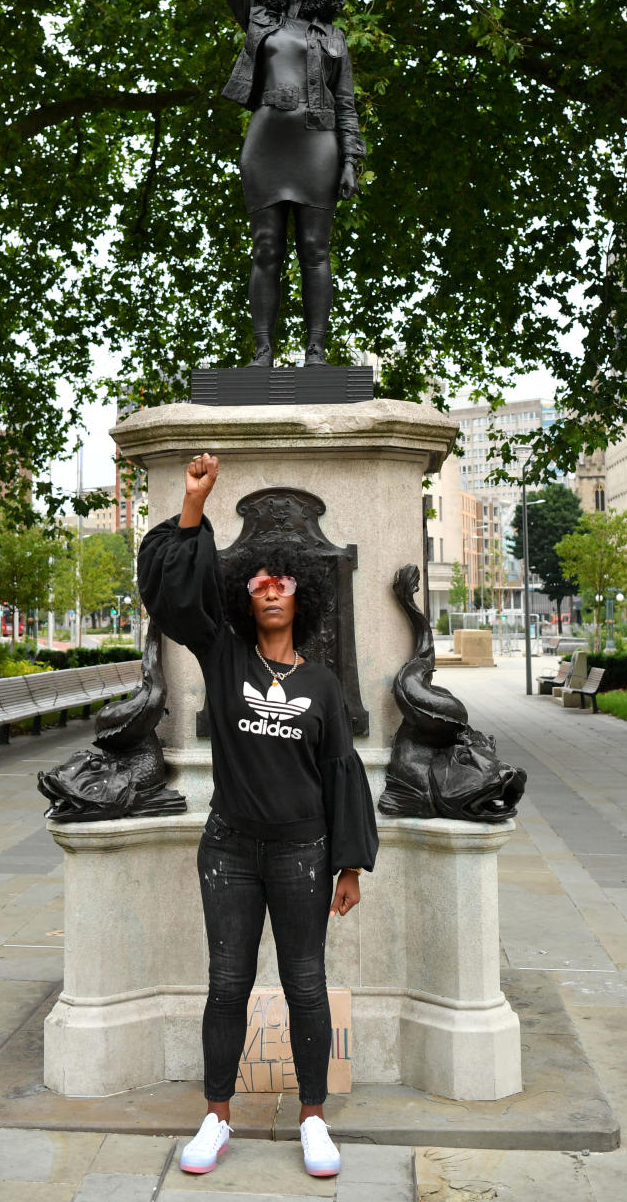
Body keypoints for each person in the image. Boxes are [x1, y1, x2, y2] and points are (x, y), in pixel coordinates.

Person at [138, 452, 378, 1179]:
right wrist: (192, 502)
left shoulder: (324, 687)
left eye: (282, 580)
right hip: (231, 850)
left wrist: (350, 860)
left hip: (303, 853)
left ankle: (312, 1119)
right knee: (227, 982)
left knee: (305, 982)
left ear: (300, 596)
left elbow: (343, 773)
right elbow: (175, 600)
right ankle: (216, 1116)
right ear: (249, 597)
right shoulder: (225, 655)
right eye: (259, 580)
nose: (269, 587)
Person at [199, 0, 366, 368]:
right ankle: (263, 353)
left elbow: (346, 104)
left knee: (315, 250)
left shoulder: (333, 37)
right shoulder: (258, 17)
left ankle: (316, 352)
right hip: (267, 139)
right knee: (265, 248)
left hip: (318, 144)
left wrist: (351, 160)